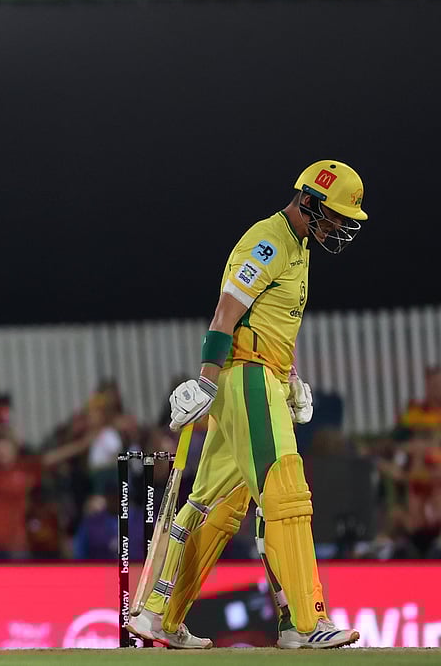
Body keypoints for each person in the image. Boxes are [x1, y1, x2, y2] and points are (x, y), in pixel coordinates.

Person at [128, 161, 368, 649]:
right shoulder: (269, 241)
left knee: (212, 505)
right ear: (309, 203)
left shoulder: (296, 247)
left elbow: (270, 323)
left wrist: (292, 375)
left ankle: (157, 616)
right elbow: (226, 312)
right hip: (248, 381)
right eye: (337, 215)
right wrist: (205, 382)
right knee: (286, 495)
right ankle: (306, 622)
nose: (341, 226)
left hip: (264, 379)